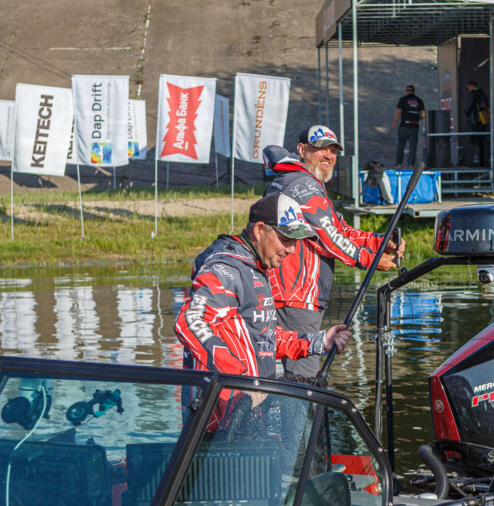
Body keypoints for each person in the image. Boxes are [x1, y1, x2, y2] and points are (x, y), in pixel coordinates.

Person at [263, 125, 404, 379]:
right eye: (321, 149)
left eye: (333, 150)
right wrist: (371, 260)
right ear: (302, 150)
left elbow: (340, 229)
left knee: (294, 380)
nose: (328, 155)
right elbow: (331, 239)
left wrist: (380, 242)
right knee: (302, 384)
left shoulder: (303, 182)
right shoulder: (302, 185)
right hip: (294, 299)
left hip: (295, 299)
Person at [175, 191, 352, 380]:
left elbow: (263, 338)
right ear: (259, 230)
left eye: (296, 241)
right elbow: (189, 322)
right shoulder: (225, 269)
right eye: (286, 239)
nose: (292, 249)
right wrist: (236, 378)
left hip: (251, 394)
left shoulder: (257, 269)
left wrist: (319, 342)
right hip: (222, 396)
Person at [390, 84, 426, 168]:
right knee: (413, 146)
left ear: (406, 91)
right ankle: (411, 164)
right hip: (414, 125)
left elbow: (398, 112)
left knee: (401, 145)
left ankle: (399, 163)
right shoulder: (419, 100)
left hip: (404, 125)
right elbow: (423, 115)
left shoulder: (403, 99)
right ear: (414, 91)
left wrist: (394, 124)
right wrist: (417, 118)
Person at [463, 80, 489, 167]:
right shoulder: (482, 93)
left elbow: (471, 105)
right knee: (481, 139)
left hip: (477, 119)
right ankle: (482, 161)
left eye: (468, 88)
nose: (468, 90)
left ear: (471, 86)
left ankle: (475, 161)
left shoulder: (474, 94)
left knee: (475, 140)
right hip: (484, 118)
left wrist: (466, 112)